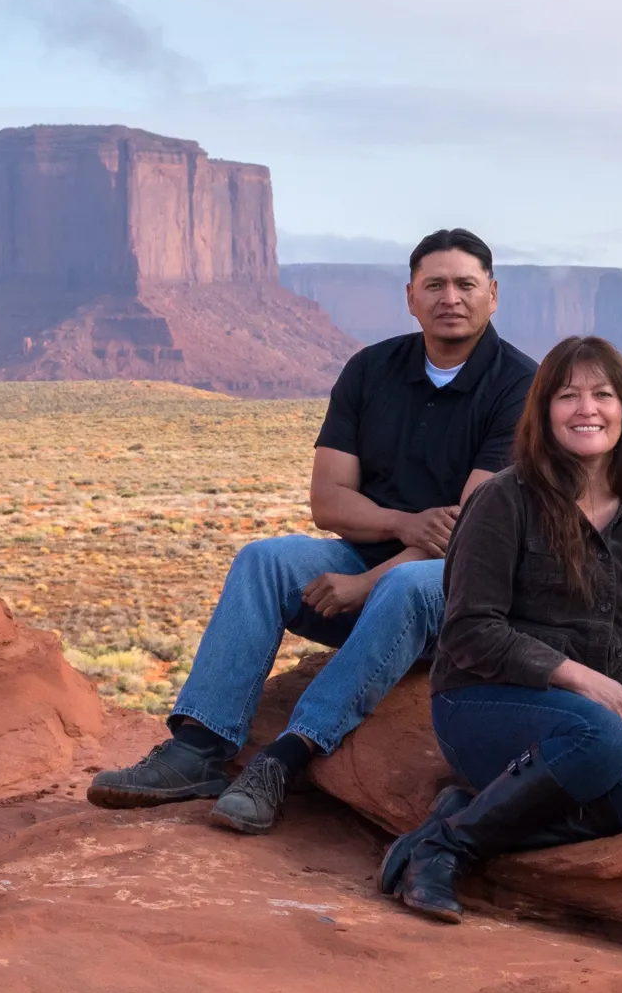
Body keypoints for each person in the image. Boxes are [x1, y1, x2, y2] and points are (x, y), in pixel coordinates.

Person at [88, 228, 536, 831]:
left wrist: (365, 584)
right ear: (410, 296)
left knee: (410, 586)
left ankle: (285, 757)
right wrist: (403, 522)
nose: (449, 297)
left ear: (493, 294)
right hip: (368, 561)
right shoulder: (372, 369)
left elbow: (468, 534)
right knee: (264, 558)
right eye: (434, 284)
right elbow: (327, 501)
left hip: (463, 598)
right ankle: (199, 748)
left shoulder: (520, 385)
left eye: (465, 284)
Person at [381, 336, 622, 921]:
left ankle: (456, 829)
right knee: (601, 740)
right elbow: (469, 630)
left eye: (603, 394)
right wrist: (581, 681)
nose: (588, 409)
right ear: (544, 411)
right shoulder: (504, 499)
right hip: (486, 703)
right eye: (568, 396)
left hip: (601, 721)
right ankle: (448, 850)